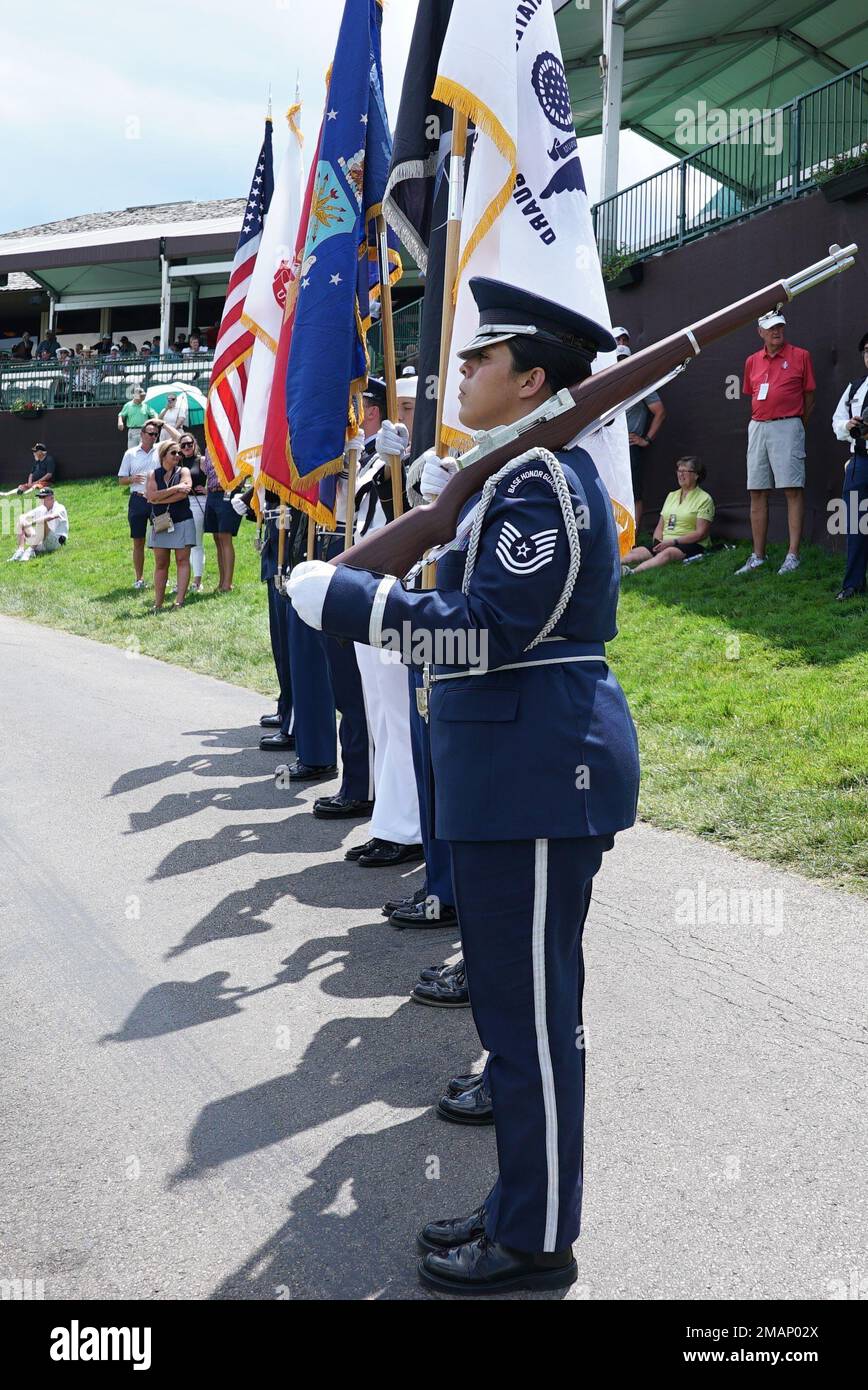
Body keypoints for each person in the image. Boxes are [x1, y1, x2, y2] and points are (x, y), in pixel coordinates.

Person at [289, 277, 640, 1295]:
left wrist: (354, 599)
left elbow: (485, 627)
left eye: (484, 359)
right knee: (512, 1010)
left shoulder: (542, 487)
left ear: (534, 379)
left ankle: (536, 1240)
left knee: (533, 1023)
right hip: (510, 777)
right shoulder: (509, 479)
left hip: (538, 775)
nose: (463, 369)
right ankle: (515, 1207)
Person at [737, 310, 815, 576]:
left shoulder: (800, 356)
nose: (776, 331)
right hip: (758, 426)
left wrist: (794, 424)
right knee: (757, 491)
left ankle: (793, 555)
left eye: (780, 326)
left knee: (792, 489)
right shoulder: (751, 361)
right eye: (770, 328)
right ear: (760, 332)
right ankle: (758, 556)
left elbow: (809, 396)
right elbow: (752, 393)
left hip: (788, 425)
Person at [621, 457, 714, 572]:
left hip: (690, 544)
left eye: (685, 471)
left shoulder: (704, 499)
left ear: (696, 475)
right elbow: (661, 524)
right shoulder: (672, 495)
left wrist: (673, 542)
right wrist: (657, 541)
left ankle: (631, 572)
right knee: (636, 551)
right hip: (666, 542)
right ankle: (610, 567)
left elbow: (701, 533)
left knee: (668, 553)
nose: (680, 475)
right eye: (679, 471)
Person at [614, 336, 666, 535]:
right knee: (611, 491)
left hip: (629, 447)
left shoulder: (640, 383)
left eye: (624, 359)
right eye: (618, 359)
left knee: (633, 494)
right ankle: (615, 538)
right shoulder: (604, 382)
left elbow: (660, 411)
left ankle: (631, 540)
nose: (621, 363)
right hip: (609, 447)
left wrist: (646, 439)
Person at [831, 330, 868, 600]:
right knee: (856, 524)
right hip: (860, 463)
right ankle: (853, 584)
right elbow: (837, 422)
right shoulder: (856, 387)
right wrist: (850, 426)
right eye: (866, 351)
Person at [145, 439, 195, 611]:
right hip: (160, 522)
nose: (178, 455)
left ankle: (179, 601)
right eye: (173, 452)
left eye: (179, 453)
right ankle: (158, 603)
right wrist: (174, 489)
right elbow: (151, 496)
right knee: (160, 563)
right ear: (163, 455)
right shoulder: (153, 474)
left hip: (182, 520)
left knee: (182, 560)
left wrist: (160, 497)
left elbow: (184, 493)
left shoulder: (184, 471)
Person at [118, 421, 163, 589]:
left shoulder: (160, 451)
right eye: (150, 433)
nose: (153, 437)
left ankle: (161, 576)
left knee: (161, 538)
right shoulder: (130, 454)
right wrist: (132, 479)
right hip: (137, 500)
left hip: (156, 500)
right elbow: (121, 480)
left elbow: (178, 439)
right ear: (142, 434)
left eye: (155, 434)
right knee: (138, 540)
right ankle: (139, 578)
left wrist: (163, 424)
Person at [203, 453, 243, 592]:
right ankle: (221, 581)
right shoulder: (209, 444)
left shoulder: (230, 439)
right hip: (212, 493)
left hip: (228, 492)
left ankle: (228, 583)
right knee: (217, 538)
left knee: (225, 537)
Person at [178, 434, 208, 592]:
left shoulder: (202, 461)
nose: (187, 448)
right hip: (180, 504)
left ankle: (197, 581)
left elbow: (218, 479)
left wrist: (207, 490)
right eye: (183, 445)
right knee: (180, 544)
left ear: (194, 444)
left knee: (195, 543)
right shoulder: (178, 462)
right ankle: (181, 581)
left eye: (189, 444)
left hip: (198, 503)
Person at [8, 486, 68, 562]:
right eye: (40, 497)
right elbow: (23, 517)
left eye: (43, 497)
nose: (41, 500)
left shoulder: (60, 507)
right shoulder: (41, 508)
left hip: (56, 543)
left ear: (52, 498)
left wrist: (32, 522)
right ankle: (20, 551)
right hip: (41, 541)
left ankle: (30, 550)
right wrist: (23, 521)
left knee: (42, 521)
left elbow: (51, 516)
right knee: (21, 519)